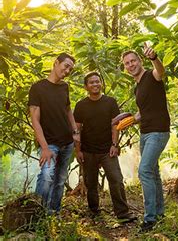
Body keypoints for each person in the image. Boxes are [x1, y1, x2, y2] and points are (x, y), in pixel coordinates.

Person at [73, 71, 137, 223]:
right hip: (88, 151)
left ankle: (122, 213)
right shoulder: (81, 105)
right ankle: (94, 210)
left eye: (97, 81)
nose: (95, 84)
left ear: (101, 83)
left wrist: (115, 144)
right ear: (86, 87)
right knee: (91, 183)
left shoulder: (110, 102)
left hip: (107, 149)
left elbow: (115, 125)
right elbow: (77, 130)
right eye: (91, 82)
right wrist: (78, 150)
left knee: (116, 179)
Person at [121, 44, 170, 232]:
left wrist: (155, 57)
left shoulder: (151, 75)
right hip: (145, 131)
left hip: (158, 131)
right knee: (153, 172)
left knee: (144, 171)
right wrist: (129, 120)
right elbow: (142, 112)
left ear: (140, 61)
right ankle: (159, 213)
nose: (131, 64)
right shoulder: (137, 87)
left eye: (133, 61)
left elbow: (161, 72)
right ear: (125, 68)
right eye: (127, 63)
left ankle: (149, 219)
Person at [28, 52, 78, 214]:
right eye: (66, 66)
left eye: (71, 68)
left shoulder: (64, 87)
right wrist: (44, 147)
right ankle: (37, 215)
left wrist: (75, 131)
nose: (68, 70)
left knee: (60, 180)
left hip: (67, 142)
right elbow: (35, 119)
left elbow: (68, 109)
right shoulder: (38, 88)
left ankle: (53, 212)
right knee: (47, 177)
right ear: (56, 63)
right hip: (49, 143)